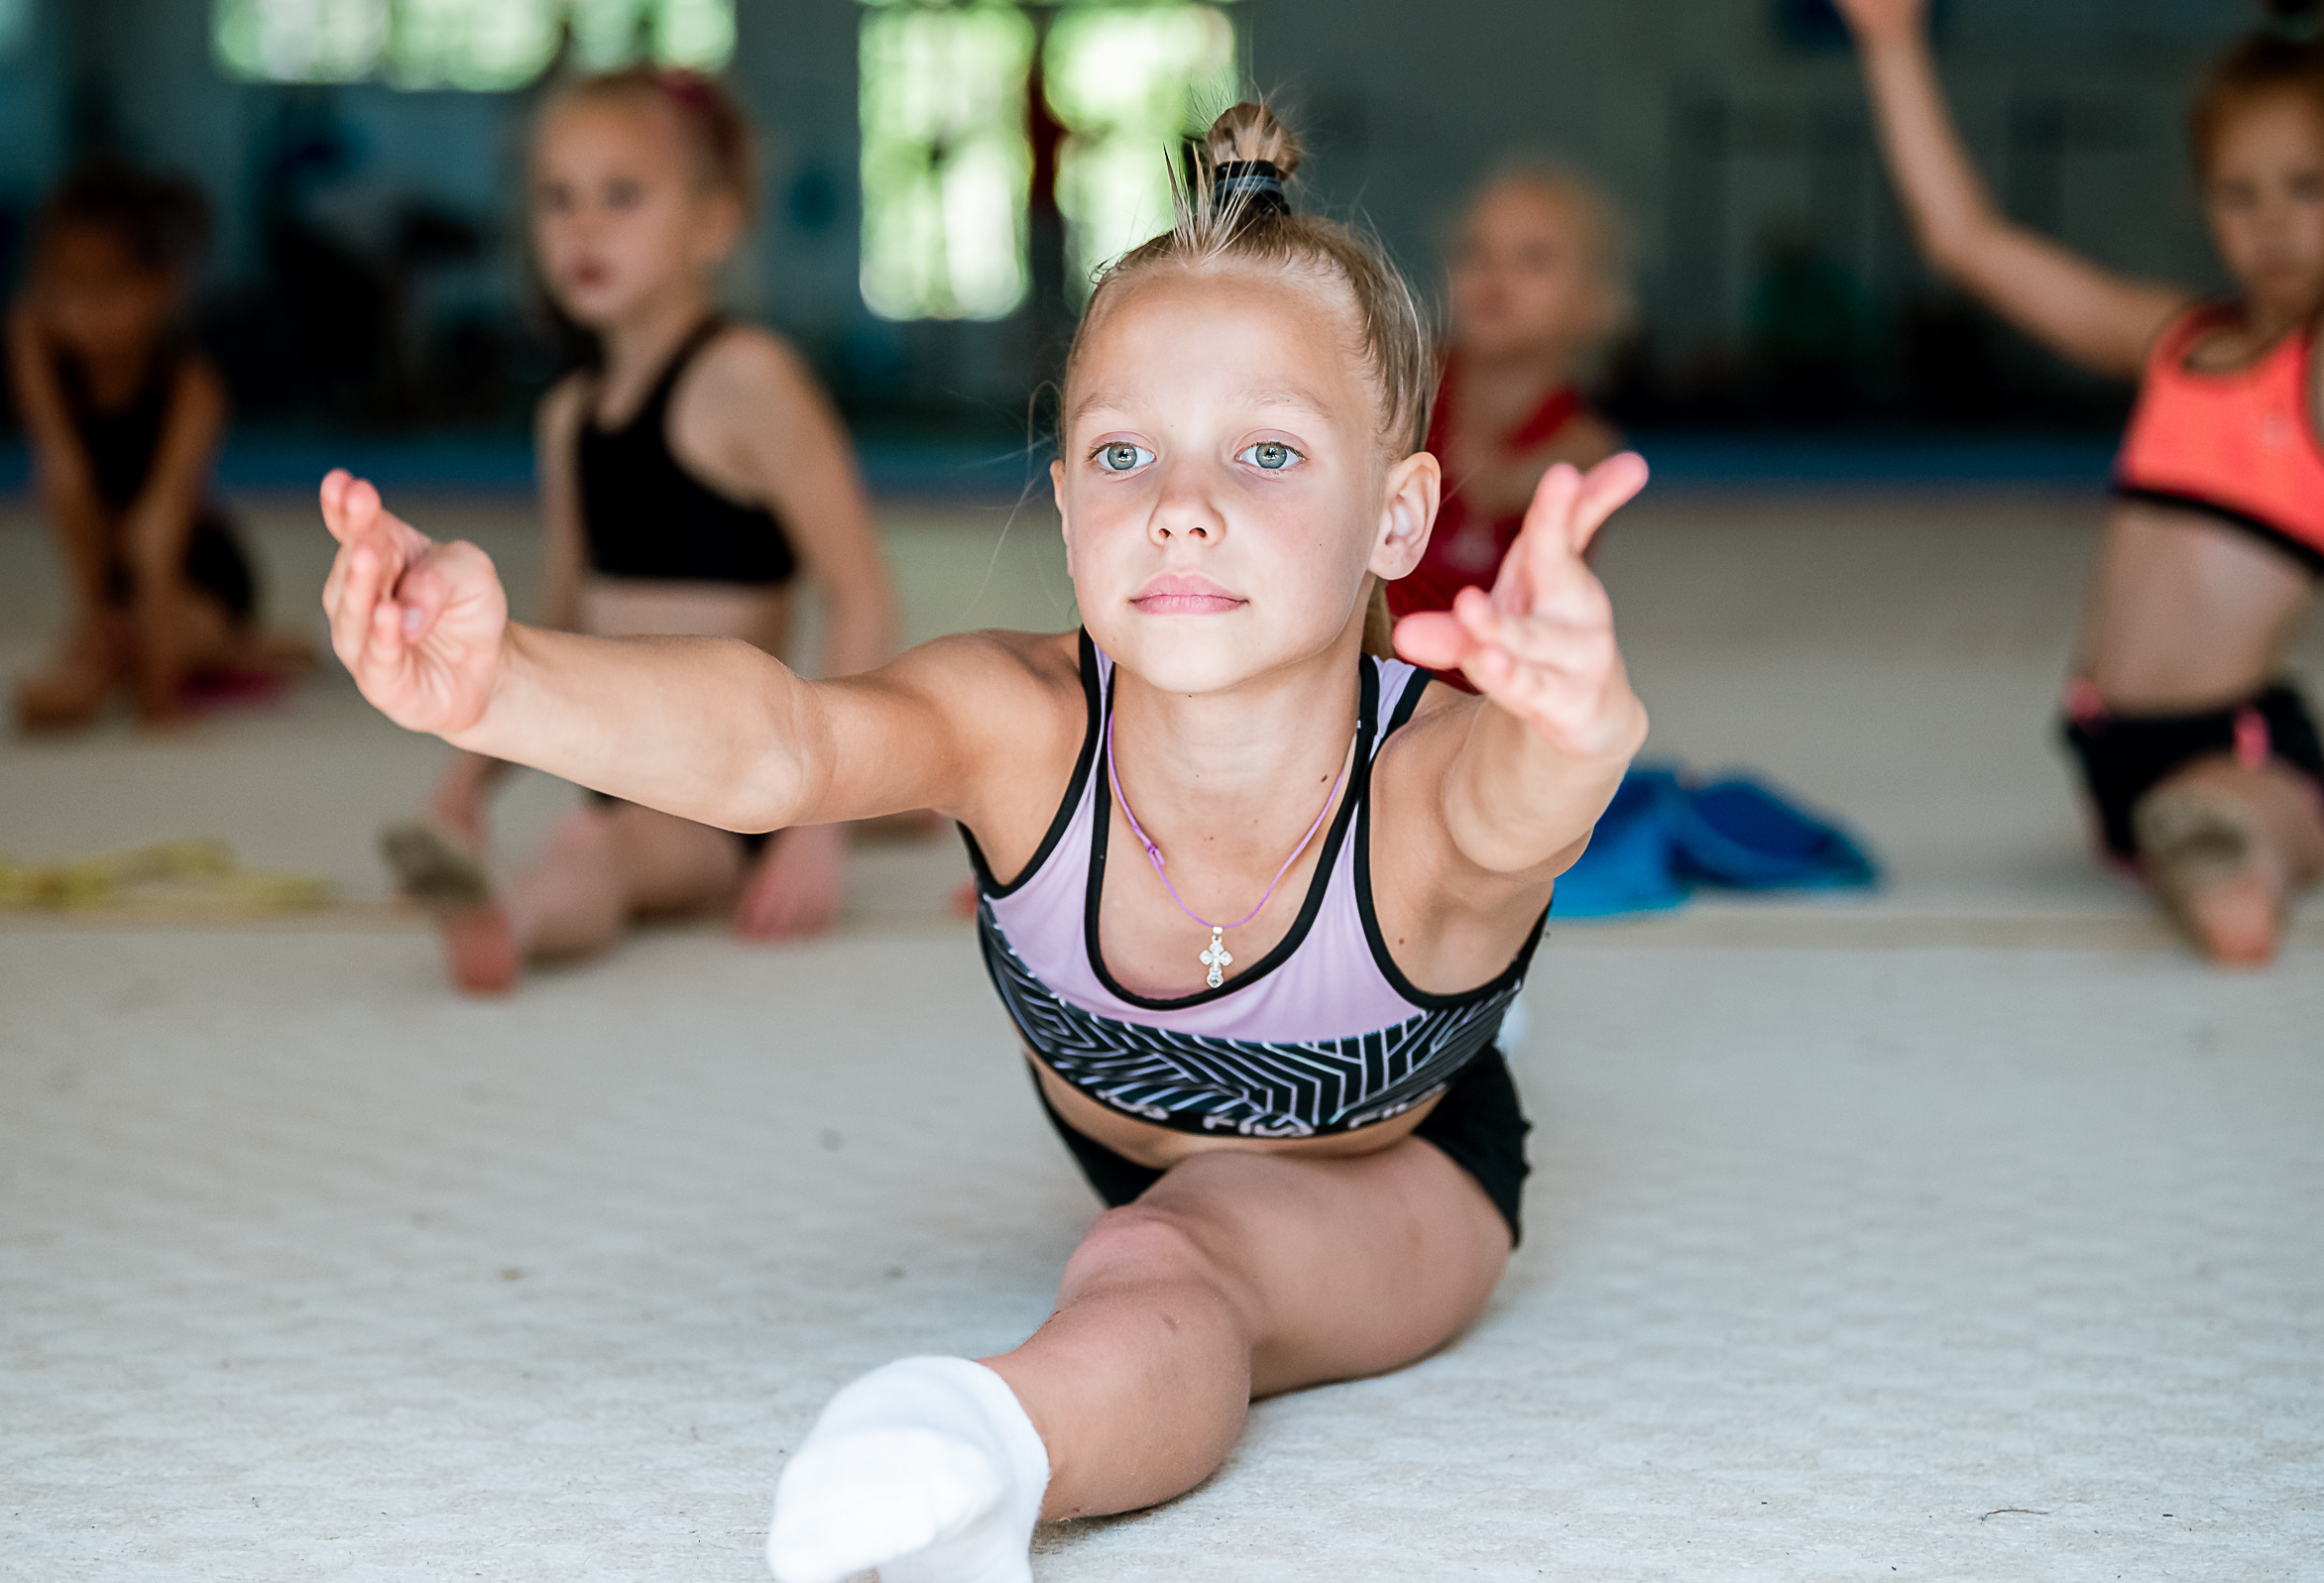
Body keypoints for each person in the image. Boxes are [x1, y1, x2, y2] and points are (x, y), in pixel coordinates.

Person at [317, 102, 1649, 1582]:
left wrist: (1574, 723)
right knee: (1160, 1236)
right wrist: (505, 685)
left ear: (1399, 516)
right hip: (1124, 1141)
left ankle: (976, 1446)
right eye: (1125, 453)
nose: (1186, 509)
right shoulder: (1015, 722)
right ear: (1068, 499)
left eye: (1268, 455)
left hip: (1402, 1171)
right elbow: (781, 743)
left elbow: (1520, 806)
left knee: (1166, 1259)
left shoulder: (1429, 780)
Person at [1839, 0, 2324, 963]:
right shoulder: (2177, 341)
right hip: (2106, 749)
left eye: (2311, 187)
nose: (2274, 223)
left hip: (2232, 746)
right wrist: (1891, 41)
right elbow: (1966, 241)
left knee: (2220, 863)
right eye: (2240, 193)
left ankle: (2287, 810)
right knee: (2177, 818)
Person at [377, 67, 898, 995]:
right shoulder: (569, 416)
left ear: (711, 224)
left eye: (621, 196)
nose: (582, 226)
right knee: (606, 825)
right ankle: (907, 804)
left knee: (596, 849)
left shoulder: (750, 380)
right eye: (557, 199)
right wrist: (460, 794)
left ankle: (512, 922)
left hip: (734, 778)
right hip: (616, 763)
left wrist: (818, 828)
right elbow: (553, 625)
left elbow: (859, 594)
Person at [9, 162, 303, 731]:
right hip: (113, 562)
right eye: (67, 291)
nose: (88, 314)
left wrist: (157, 697)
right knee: (63, 484)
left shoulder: (194, 388)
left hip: (199, 565)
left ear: (163, 288)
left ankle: (246, 644)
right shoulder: (39, 349)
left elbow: (159, 527)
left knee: (168, 639)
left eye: (112, 290)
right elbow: (64, 476)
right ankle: (117, 641)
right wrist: (96, 618)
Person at [1386, 163, 1628, 641]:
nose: (1496, 275)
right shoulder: (1397, 383)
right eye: (1475, 253)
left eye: (1533, 259)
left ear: (1594, 302)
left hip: (1488, 697)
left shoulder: (1583, 446)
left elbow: (1491, 487)